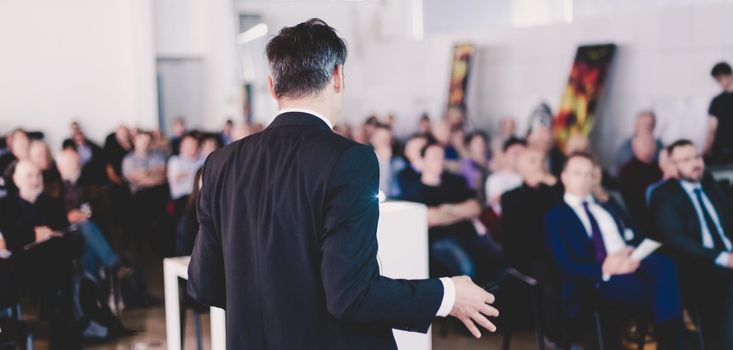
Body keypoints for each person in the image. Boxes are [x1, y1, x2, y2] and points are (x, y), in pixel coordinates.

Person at [187, 19, 498, 349]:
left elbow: (203, 283)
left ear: (271, 85)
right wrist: (447, 295)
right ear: (337, 76)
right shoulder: (349, 159)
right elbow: (350, 295)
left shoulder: (222, 162)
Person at [545, 152, 686, 349]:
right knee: (664, 293)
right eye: (577, 173)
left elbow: (635, 234)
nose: (584, 179)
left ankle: (665, 338)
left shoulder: (606, 205)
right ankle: (672, 340)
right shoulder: (556, 216)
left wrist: (630, 252)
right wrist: (606, 267)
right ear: (564, 177)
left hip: (633, 261)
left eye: (589, 174)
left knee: (666, 264)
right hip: (599, 278)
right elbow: (564, 264)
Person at [650, 139, 733, 349]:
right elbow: (677, 240)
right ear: (673, 166)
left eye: (697, 157)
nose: (695, 163)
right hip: (699, 266)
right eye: (686, 160)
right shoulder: (664, 195)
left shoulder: (710, 183)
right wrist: (723, 258)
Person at [402, 143, 501, 282]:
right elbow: (431, 218)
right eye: (435, 157)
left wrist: (447, 209)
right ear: (423, 160)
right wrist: (461, 211)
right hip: (441, 241)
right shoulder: (415, 191)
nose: (440, 160)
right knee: (467, 268)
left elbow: (475, 208)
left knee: (497, 259)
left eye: (442, 156)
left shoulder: (455, 182)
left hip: (469, 235)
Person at [618, 134, 662, 232]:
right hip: (643, 220)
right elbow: (635, 205)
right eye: (644, 143)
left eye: (652, 143)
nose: (649, 146)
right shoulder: (627, 170)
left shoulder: (660, 166)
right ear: (634, 147)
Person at [167, 133, 203, 220]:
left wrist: (186, 174)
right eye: (189, 144)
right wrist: (195, 174)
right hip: (181, 200)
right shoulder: (175, 161)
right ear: (182, 145)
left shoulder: (203, 159)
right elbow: (176, 178)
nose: (191, 146)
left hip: (200, 198)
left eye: (193, 143)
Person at [484, 137, 525, 215]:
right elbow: (497, 209)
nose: (519, 157)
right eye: (515, 153)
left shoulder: (531, 178)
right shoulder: (495, 179)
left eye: (522, 153)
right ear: (504, 154)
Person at [707, 62, 733, 163]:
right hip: (721, 149)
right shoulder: (717, 101)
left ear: (730, 75)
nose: (719, 82)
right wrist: (707, 149)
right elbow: (712, 128)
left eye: (720, 78)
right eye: (716, 79)